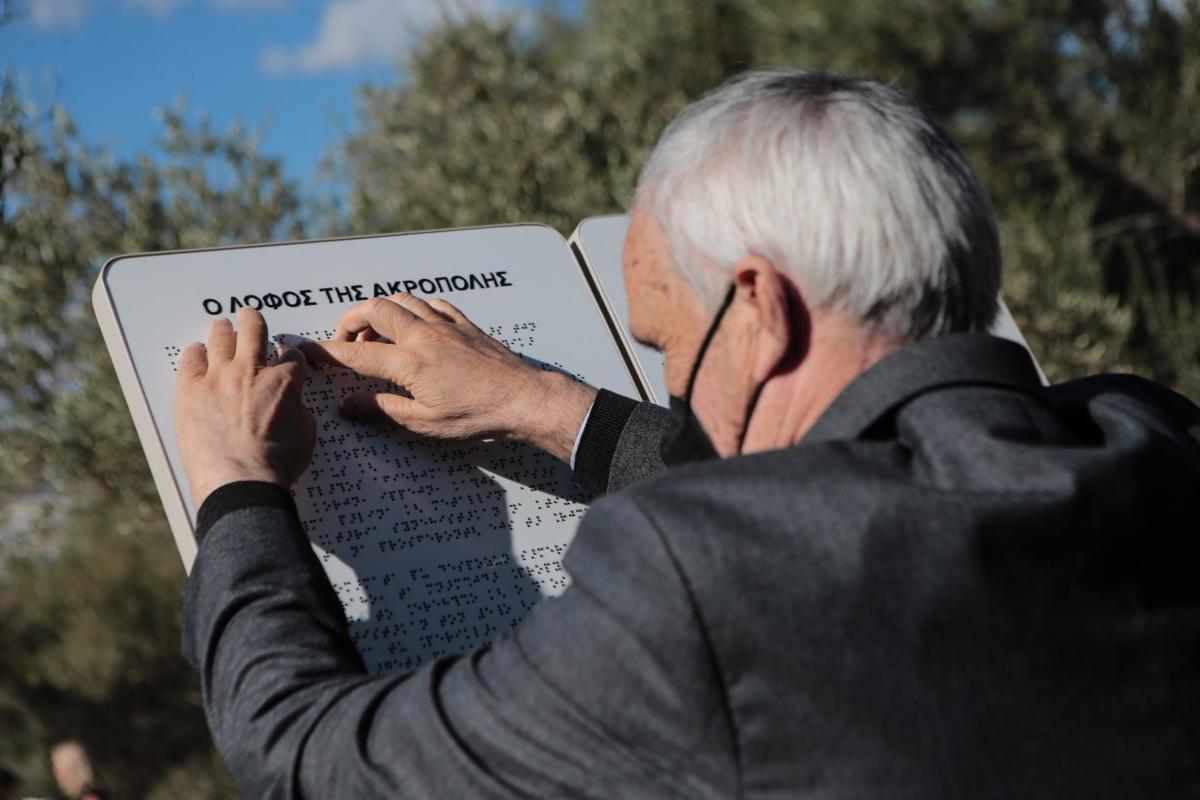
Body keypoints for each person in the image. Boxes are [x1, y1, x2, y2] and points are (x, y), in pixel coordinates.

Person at [175, 70, 1200, 798]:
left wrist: (234, 485)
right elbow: (848, 483)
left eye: (666, 341)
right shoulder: (1150, 436)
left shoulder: (705, 575)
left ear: (761, 308)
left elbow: (306, 755)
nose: (670, 381)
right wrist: (543, 402)